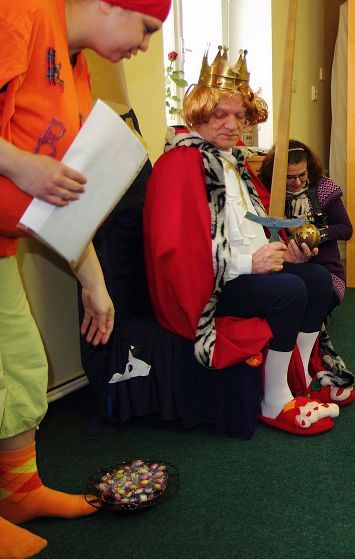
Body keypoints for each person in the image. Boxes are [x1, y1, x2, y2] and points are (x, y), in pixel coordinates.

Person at [0, 0, 172, 556]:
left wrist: (95, 285)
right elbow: (35, 172)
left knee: (20, 366)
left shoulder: (76, 67)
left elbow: (66, 196)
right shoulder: (20, 15)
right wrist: (20, 164)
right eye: (146, 27)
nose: (145, 45)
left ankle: (18, 493)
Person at [143, 46, 341, 441]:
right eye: (221, 115)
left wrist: (288, 249)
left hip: (247, 271)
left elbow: (257, 226)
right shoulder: (180, 165)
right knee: (288, 291)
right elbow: (178, 251)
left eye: (238, 115)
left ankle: (299, 379)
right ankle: (274, 400)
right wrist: (250, 264)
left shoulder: (233, 162)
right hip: (210, 286)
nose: (232, 125)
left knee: (318, 280)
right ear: (199, 114)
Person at [258, 140, 355, 403]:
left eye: (302, 175)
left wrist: (313, 233)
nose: (298, 182)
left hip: (326, 273)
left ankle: (297, 371)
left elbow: (346, 229)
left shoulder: (322, 188)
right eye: (290, 177)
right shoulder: (264, 192)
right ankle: (286, 375)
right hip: (284, 268)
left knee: (303, 304)